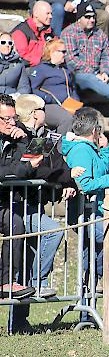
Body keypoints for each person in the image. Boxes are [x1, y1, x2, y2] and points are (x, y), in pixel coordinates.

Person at [9, 94, 83, 334]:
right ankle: (37, 287)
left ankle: (19, 321)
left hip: (32, 204)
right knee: (51, 233)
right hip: (18, 205)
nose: (46, 113)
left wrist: (66, 181)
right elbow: (43, 169)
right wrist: (66, 177)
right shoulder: (20, 138)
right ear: (33, 114)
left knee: (27, 261)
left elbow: (56, 166)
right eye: (42, 109)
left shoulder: (40, 137)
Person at [62, 108, 109, 325]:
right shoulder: (81, 151)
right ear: (94, 130)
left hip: (95, 212)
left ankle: (86, 313)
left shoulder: (90, 149)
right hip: (87, 215)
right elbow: (86, 184)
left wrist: (104, 150)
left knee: (89, 257)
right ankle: (97, 269)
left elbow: (99, 170)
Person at [61, 4, 109, 118]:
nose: (92, 20)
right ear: (79, 18)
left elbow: (106, 56)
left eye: (93, 17)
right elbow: (71, 60)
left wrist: (104, 72)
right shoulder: (68, 33)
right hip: (77, 76)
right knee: (90, 79)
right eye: (87, 17)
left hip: (97, 75)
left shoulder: (100, 34)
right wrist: (94, 74)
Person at [0, 94, 41, 303]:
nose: (11, 123)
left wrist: (24, 141)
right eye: (5, 119)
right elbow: (5, 171)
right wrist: (22, 169)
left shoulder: (17, 137)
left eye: (13, 118)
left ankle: (6, 282)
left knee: (16, 225)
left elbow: (30, 165)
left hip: (3, 204)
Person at [28, 38, 79, 135]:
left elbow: (72, 88)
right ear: (52, 52)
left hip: (69, 105)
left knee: (88, 118)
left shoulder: (65, 69)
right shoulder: (41, 69)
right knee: (66, 119)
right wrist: (48, 98)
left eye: (65, 51)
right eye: (62, 52)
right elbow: (32, 89)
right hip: (48, 106)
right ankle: (60, 147)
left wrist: (75, 100)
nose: (65, 54)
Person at [11, 1, 55, 67]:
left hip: (46, 66)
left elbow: (57, 47)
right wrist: (43, 61)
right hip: (28, 68)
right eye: (47, 13)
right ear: (36, 14)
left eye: (51, 13)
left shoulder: (49, 31)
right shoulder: (21, 32)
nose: (51, 16)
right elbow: (22, 57)